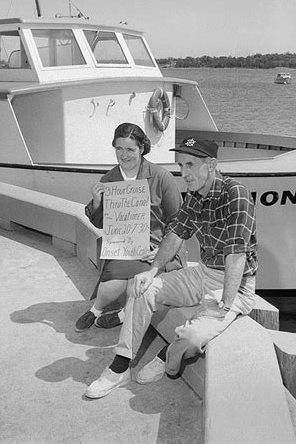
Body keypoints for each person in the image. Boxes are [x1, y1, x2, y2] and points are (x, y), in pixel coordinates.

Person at [85, 137, 257, 399]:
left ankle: (167, 356)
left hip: (236, 285)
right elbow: (176, 234)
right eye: (181, 165)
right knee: (142, 288)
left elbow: (236, 254)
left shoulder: (236, 193)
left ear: (212, 164)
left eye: (191, 165)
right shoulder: (195, 196)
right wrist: (152, 270)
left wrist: (225, 303)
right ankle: (120, 368)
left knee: (191, 337)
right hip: (202, 273)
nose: (184, 173)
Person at [75, 123, 186, 332]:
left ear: (141, 148)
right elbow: (99, 223)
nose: (123, 155)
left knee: (139, 284)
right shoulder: (109, 179)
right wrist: (97, 202)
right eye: (119, 149)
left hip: (156, 247)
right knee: (111, 285)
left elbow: (178, 221)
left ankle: (123, 314)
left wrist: (161, 251)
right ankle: (95, 310)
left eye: (130, 149)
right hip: (124, 247)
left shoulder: (161, 177)